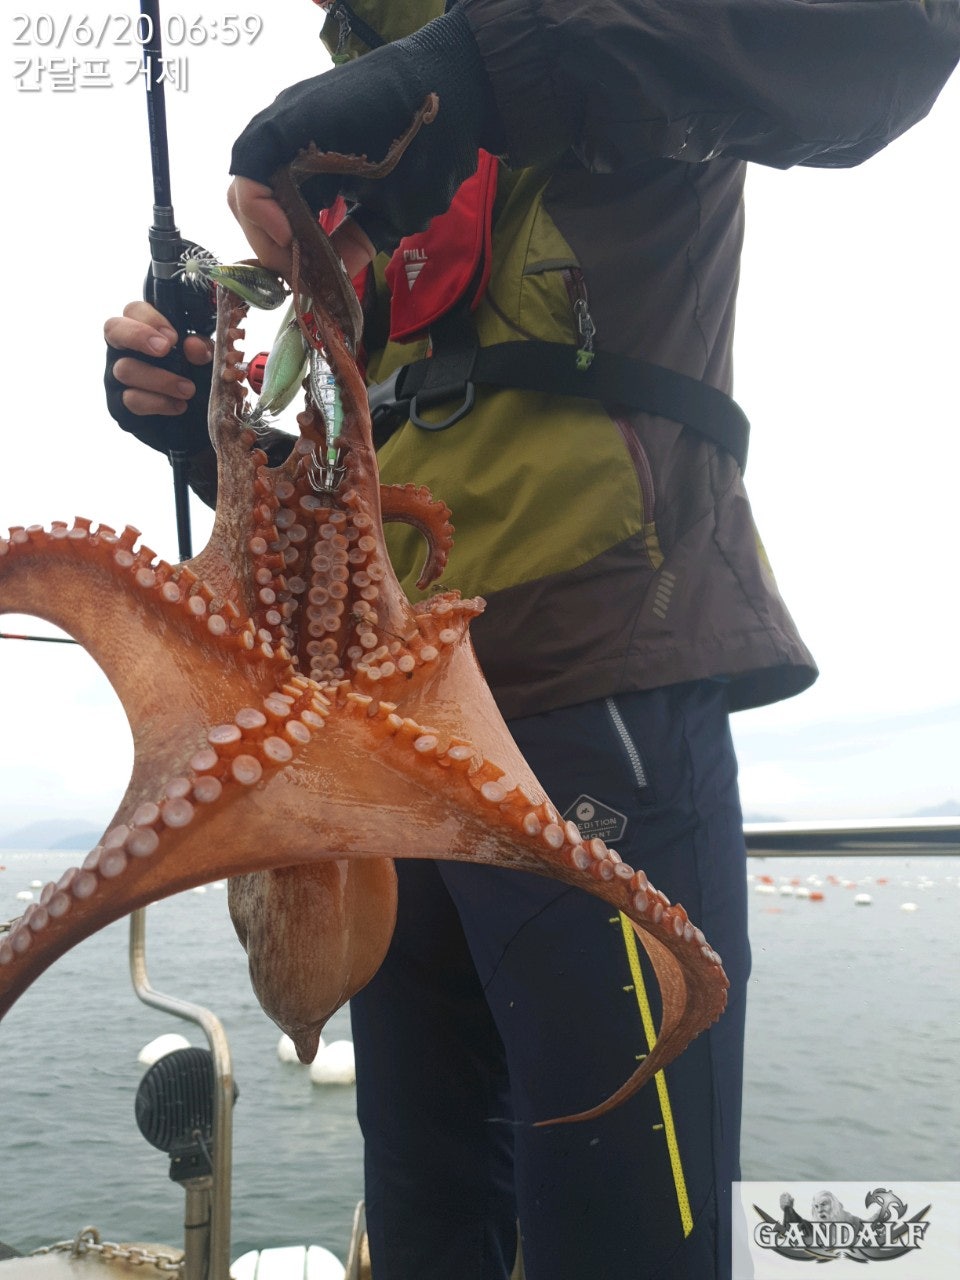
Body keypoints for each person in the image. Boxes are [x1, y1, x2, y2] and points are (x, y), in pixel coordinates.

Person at [104, 4, 960, 1277]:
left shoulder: (573, 45)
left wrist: (476, 68)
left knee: (624, 1231)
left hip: (589, 681)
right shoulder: (365, 164)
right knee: (426, 1217)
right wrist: (212, 436)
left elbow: (895, 35)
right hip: (388, 751)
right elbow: (366, 488)